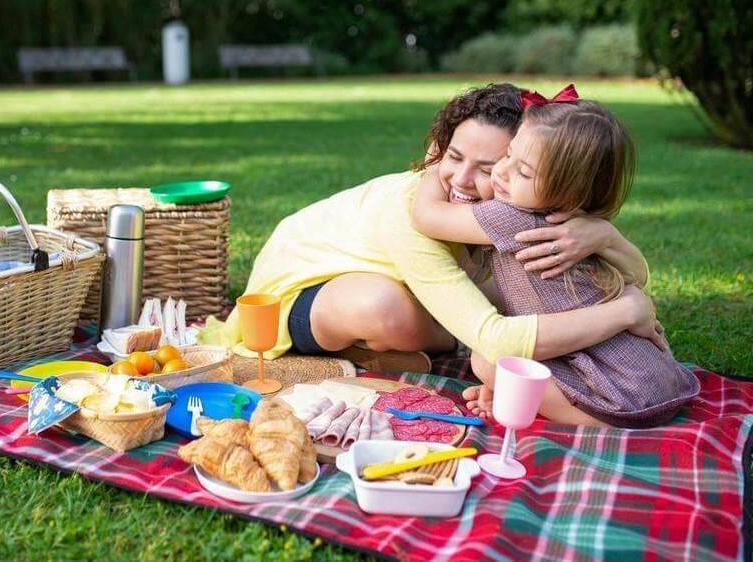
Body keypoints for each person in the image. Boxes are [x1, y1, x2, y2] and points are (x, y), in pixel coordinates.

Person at [201, 83, 665, 379]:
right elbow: (496, 339)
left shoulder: (523, 208)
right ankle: (377, 344)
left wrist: (602, 236)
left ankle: (385, 351)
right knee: (386, 306)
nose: (463, 180)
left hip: (405, 283)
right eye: (454, 156)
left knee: (509, 296)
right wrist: (626, 311)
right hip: (294, 298)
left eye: (491, 166)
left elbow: (621, 274)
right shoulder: (414, 216)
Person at [411, 86, 698, 427]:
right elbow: (636, 274)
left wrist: (437, 162)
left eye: (524, 172)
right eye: (508, 155)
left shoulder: (511, 217)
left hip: (623, 393)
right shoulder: (573, 221)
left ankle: (596, 421)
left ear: (569, 190)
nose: (502, 173)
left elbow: (427, 216)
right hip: (649, 376)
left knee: (487, 360)